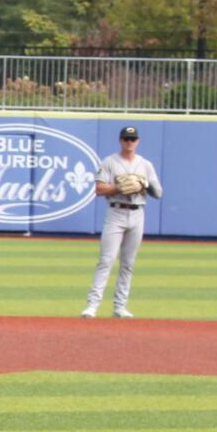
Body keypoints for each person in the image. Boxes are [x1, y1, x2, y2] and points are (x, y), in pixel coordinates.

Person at [81, 125, 163, 319]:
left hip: (137, 213)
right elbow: (99, 189)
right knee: (106, 260)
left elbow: (158, 193)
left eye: (132, 139)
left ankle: (120, 307)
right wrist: (118, 187)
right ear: (120, 140)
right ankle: (92, 306)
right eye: (126, 139)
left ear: (138, 142)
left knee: (128, 263)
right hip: (116, 213)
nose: (129, 142)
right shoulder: (109, 162)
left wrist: (144, 184)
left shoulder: (146, 164)